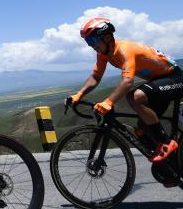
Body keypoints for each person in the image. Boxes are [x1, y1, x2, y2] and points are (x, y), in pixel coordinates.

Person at [70, 17, 183, 165]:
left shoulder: (124, 50)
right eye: (87, 42)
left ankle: (166, 142)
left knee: (135, 97)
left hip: (175, 78)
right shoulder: (104, 54)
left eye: (92, 40)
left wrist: (109, 102)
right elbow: (96, 76)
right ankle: (171, 165)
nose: (91, 45)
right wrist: (79, 94)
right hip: (158, 81)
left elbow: (128, 81)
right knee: (142, 130)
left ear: (107, 37)